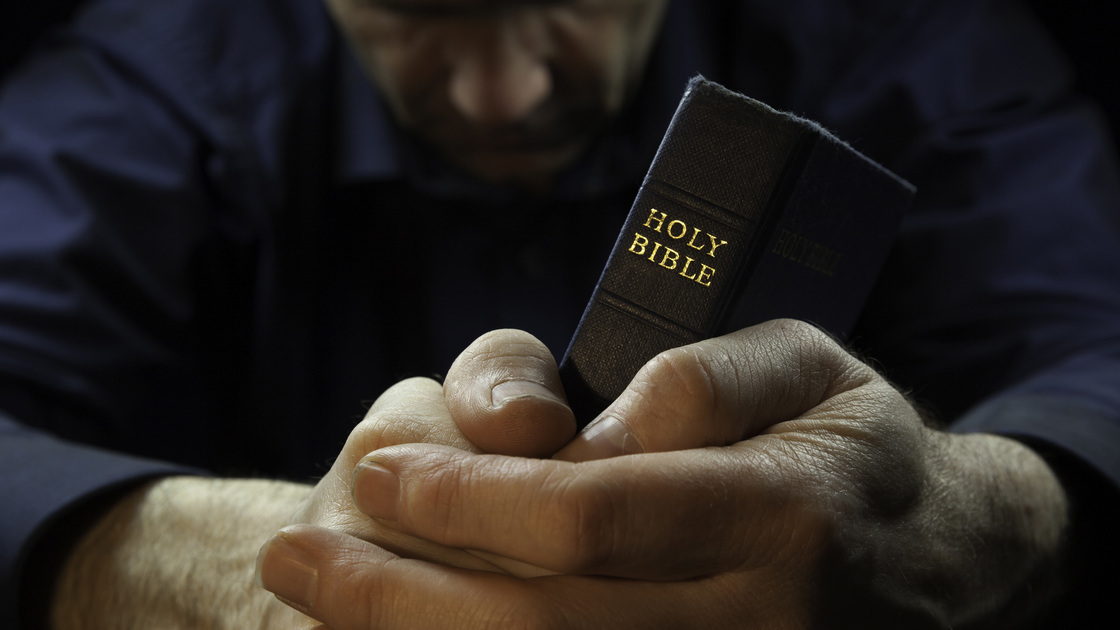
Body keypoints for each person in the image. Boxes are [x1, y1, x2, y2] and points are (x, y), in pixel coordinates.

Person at [1, 0, 1117, 627]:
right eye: (412, 11)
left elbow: (1097, 357)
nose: (507, 96)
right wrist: (265, 576)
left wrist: (963, 520)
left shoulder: (911, 41)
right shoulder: (147, 83)